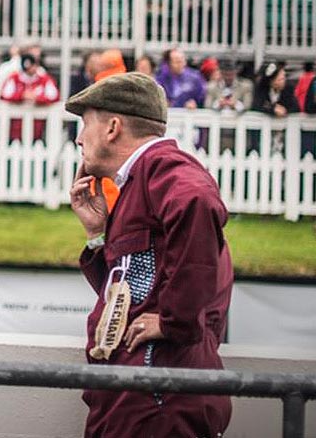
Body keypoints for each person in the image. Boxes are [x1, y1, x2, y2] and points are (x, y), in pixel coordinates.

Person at [66, 73, 233, 438]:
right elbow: (135, 290)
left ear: (112, 127)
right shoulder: (143, 178)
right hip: (139, 396)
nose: (79, 138)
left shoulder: (163, 169)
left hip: (158, 399)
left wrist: (174, 322)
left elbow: (198, 202)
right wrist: (97, 236)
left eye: (84, 123)